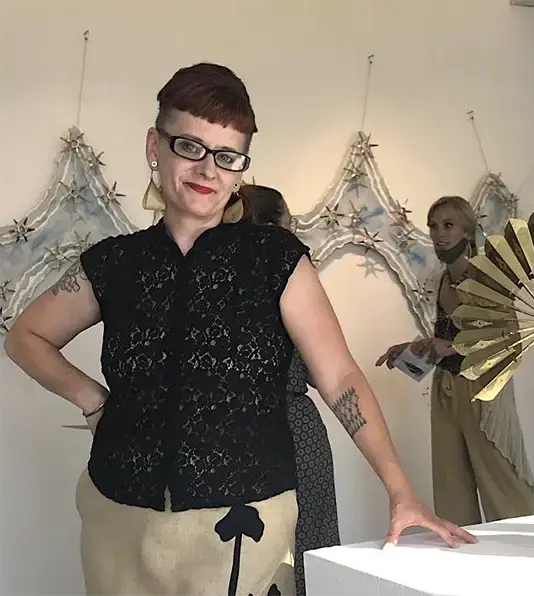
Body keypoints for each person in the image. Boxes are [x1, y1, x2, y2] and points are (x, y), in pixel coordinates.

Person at [4, 63, 475, 596]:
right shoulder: (113, 263)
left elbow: (339, 375)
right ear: (155, 147)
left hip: (245, 524)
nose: (208, 169)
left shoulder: (275, 260)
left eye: (227, 156)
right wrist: (91, 399)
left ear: (240, 170)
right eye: (190, 147)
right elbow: (26, 336)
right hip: (119, 521)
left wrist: (400, 489)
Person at [376, 195, 534, 527]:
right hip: (446, 387)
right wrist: (416, 349)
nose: (439, 234)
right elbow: (450, 337)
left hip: (483, 390)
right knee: (451, 486)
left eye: (448, 225)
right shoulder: (444, 280)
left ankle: (524, 548)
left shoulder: (487, 277)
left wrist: (449, 347)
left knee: (502, 485)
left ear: (467, 231)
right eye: (434, 226)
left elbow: (510, 339)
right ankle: (461, 549)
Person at [240, 183, 339, 596]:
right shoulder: (291, 267)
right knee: (310, 541)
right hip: (293, 425)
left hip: (233, 429)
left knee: (246, 549)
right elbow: (322, 368)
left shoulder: (216, 270)